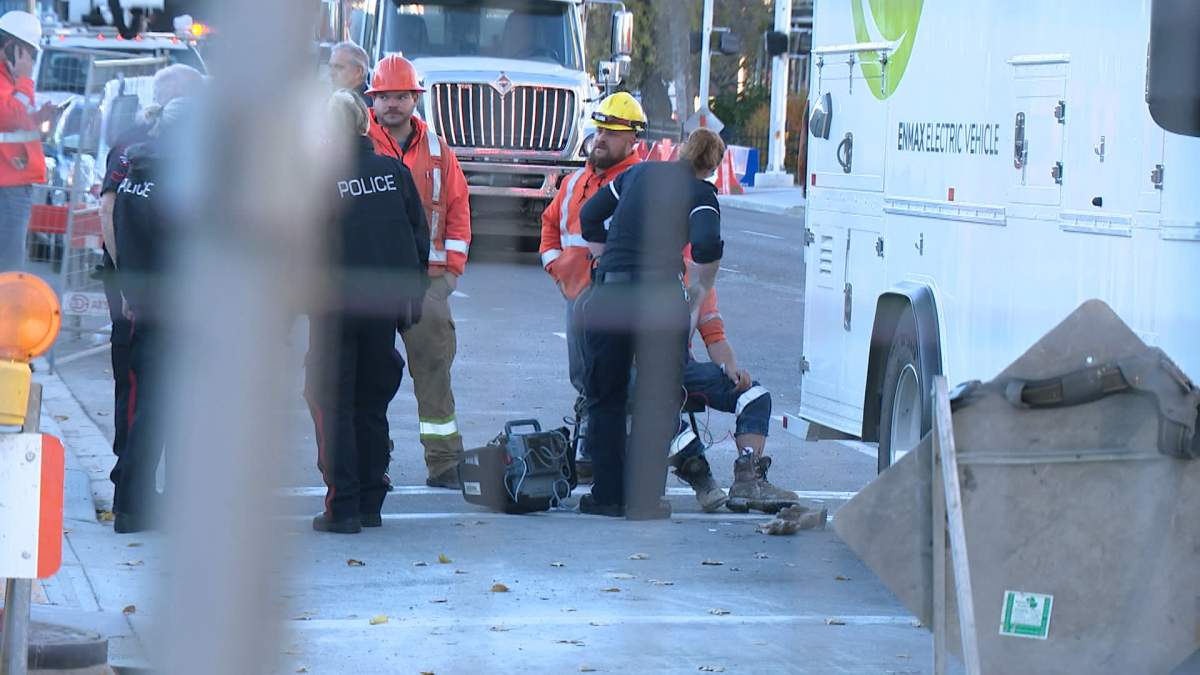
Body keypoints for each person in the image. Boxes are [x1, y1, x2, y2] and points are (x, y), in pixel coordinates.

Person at [575, 129, 727, 520]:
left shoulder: (637, 174)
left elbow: (589, 216)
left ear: (682, 151)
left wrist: (610, 255)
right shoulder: (700, 194)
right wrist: (699, 285)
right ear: (712, 166)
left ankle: (607, 496)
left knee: (605, 397)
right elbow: (706, 242)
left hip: (611, 294)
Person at [305, 90, 430, 534]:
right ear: (364, 126)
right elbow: (418, 235)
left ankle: (343, 507)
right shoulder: (393, 172)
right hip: (383, 306)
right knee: (371, 404)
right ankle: (371, 502)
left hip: (335, 307)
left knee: (331, 403)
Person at [365, 54, 472, 489]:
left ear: (415, 99)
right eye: (384, 96)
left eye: (401, 96)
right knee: (369, 377)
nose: (392, 104)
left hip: (426, 282)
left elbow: (458, 210)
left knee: (433, 371)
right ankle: (372, 464)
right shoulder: (355, 143)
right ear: (373, 101)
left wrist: (450, 275)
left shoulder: (438, 151)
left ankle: (444, 463)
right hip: (371, 280)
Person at [99, 64, 204, 494]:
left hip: (140, 281)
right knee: (148, 385)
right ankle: (138, 487)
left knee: (147, 386)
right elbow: (108, 209)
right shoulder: (151, 147)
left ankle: (140, 488)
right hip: (150, 282)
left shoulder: (148, 145)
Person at [540, 91, 644, 481]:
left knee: (621, 379)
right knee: (583, 375)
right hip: (579, 297)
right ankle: (591, 444)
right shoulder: (575, 182)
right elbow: (550, 224)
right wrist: (557, 267)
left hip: (620, 300)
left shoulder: (638, 183)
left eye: (612, 133)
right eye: (599, 130)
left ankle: (618, 450)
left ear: (633, 140)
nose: (601, 139)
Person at [667, 259, 800, 513]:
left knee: (755, 396)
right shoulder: (628, 267)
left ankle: (748, 480)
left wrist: (730, 369)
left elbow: (714, 336)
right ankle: (700, 474)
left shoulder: (696, 277)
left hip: (681, 365)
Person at [0, 11, 54, 271]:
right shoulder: (10, 78)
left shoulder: (8, 77)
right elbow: (9, 115)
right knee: (9, 263)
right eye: (29, 53)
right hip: (8, 181)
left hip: (13, 178)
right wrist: (25, 80)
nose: (31, 60)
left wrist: (39, 118)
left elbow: (15, 120)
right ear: (13, 47)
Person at [328, 41, 372, 107]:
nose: (331, 73)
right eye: (330, 67)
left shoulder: (364, 107)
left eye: (339, 67)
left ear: (358, 72)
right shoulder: (336, 98)